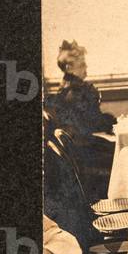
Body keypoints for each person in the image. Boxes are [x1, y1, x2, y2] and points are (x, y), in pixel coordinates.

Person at [44, 40, 117, 202]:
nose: (86, 69)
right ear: (69, 68)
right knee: (120, 152)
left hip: (82, 146)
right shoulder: (74, 91)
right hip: (83, 152)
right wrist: (112, 121)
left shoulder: (67, 87)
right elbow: (89, 123)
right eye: (82, 65)